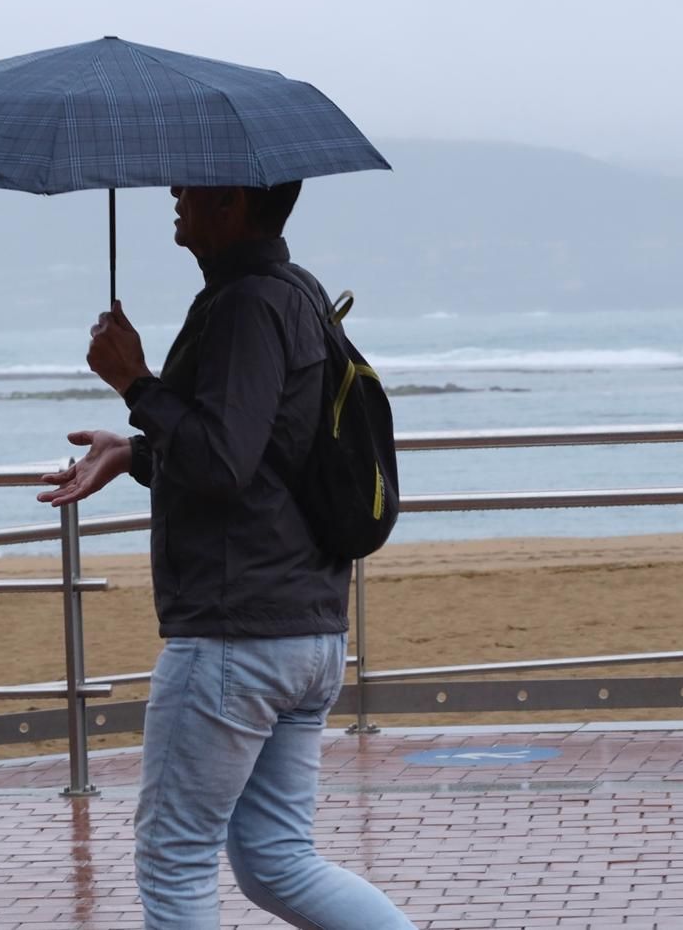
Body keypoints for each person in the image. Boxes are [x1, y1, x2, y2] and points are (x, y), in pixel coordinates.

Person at [37, 182, 415, 930]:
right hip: (303, 628)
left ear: (233, 201)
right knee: (278, 858)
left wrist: (135, 383)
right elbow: (264, 453)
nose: (175, 191)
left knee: (174, 858)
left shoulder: (246, 304)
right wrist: (138, 452)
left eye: (193, 183)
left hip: (234, 636)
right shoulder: (293, 292)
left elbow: (221, 462)